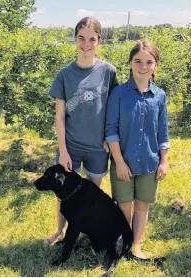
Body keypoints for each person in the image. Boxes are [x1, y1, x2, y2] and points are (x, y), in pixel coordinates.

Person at [46, 17, 118, 245]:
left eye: (92, 39)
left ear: (99, 41)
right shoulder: (64, 75)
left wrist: (109, 137)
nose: (86, 44)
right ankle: (59, 231)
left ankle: (87, 233)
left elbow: (113, 108)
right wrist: (63, 151)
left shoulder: (108, 72)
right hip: (72, 146)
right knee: (64, 194)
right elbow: (59, 116)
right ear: (75, 39)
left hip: (98, 148)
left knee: (91, 195)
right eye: (81, 38)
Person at [105, 40, 169, 259]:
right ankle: (124, 242)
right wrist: (119, 162)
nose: (143, 66)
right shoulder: (119, 93)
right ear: (131, 63)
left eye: (149, 62)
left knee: (142, 205)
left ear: (156, 65)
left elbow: (163, 131)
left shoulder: (159, 96)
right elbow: (111, 129)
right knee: (124, 204)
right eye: (138, 61)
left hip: (150, 162)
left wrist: (164, 160)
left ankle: (137, 245)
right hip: (123, 162)